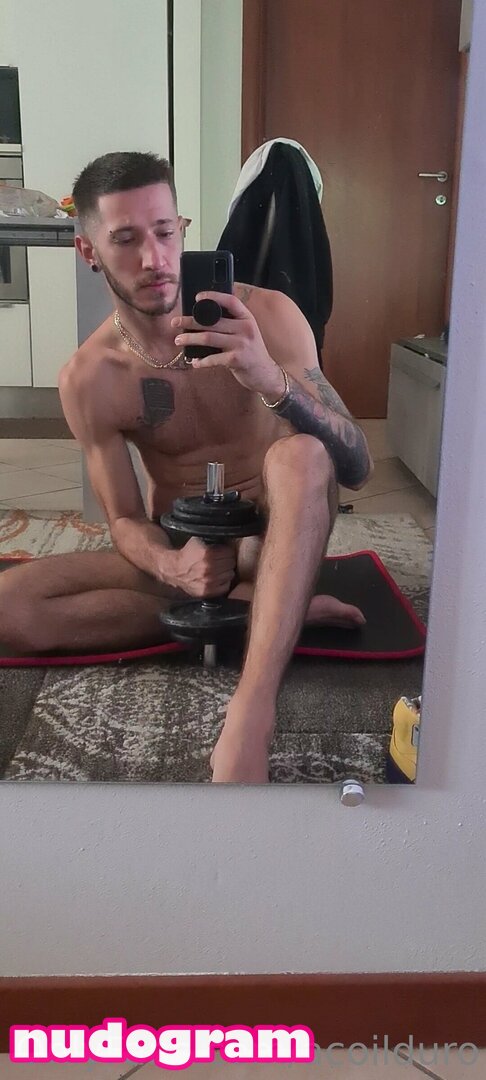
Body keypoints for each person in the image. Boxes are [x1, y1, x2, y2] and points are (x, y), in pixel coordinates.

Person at [0, 151, 373, 783]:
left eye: (165, 232)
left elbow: (356, 465)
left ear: (183, 228)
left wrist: (272, 381)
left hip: (275, 535)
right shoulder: (91, 376)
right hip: (186, 556)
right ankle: (271, 612)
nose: (155, 259)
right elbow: (123, 519)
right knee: (10, 608)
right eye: (125, 239)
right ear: (88, 251)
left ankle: (251, 712)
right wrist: (174, 566)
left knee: (302, 453)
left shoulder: (270, 316)